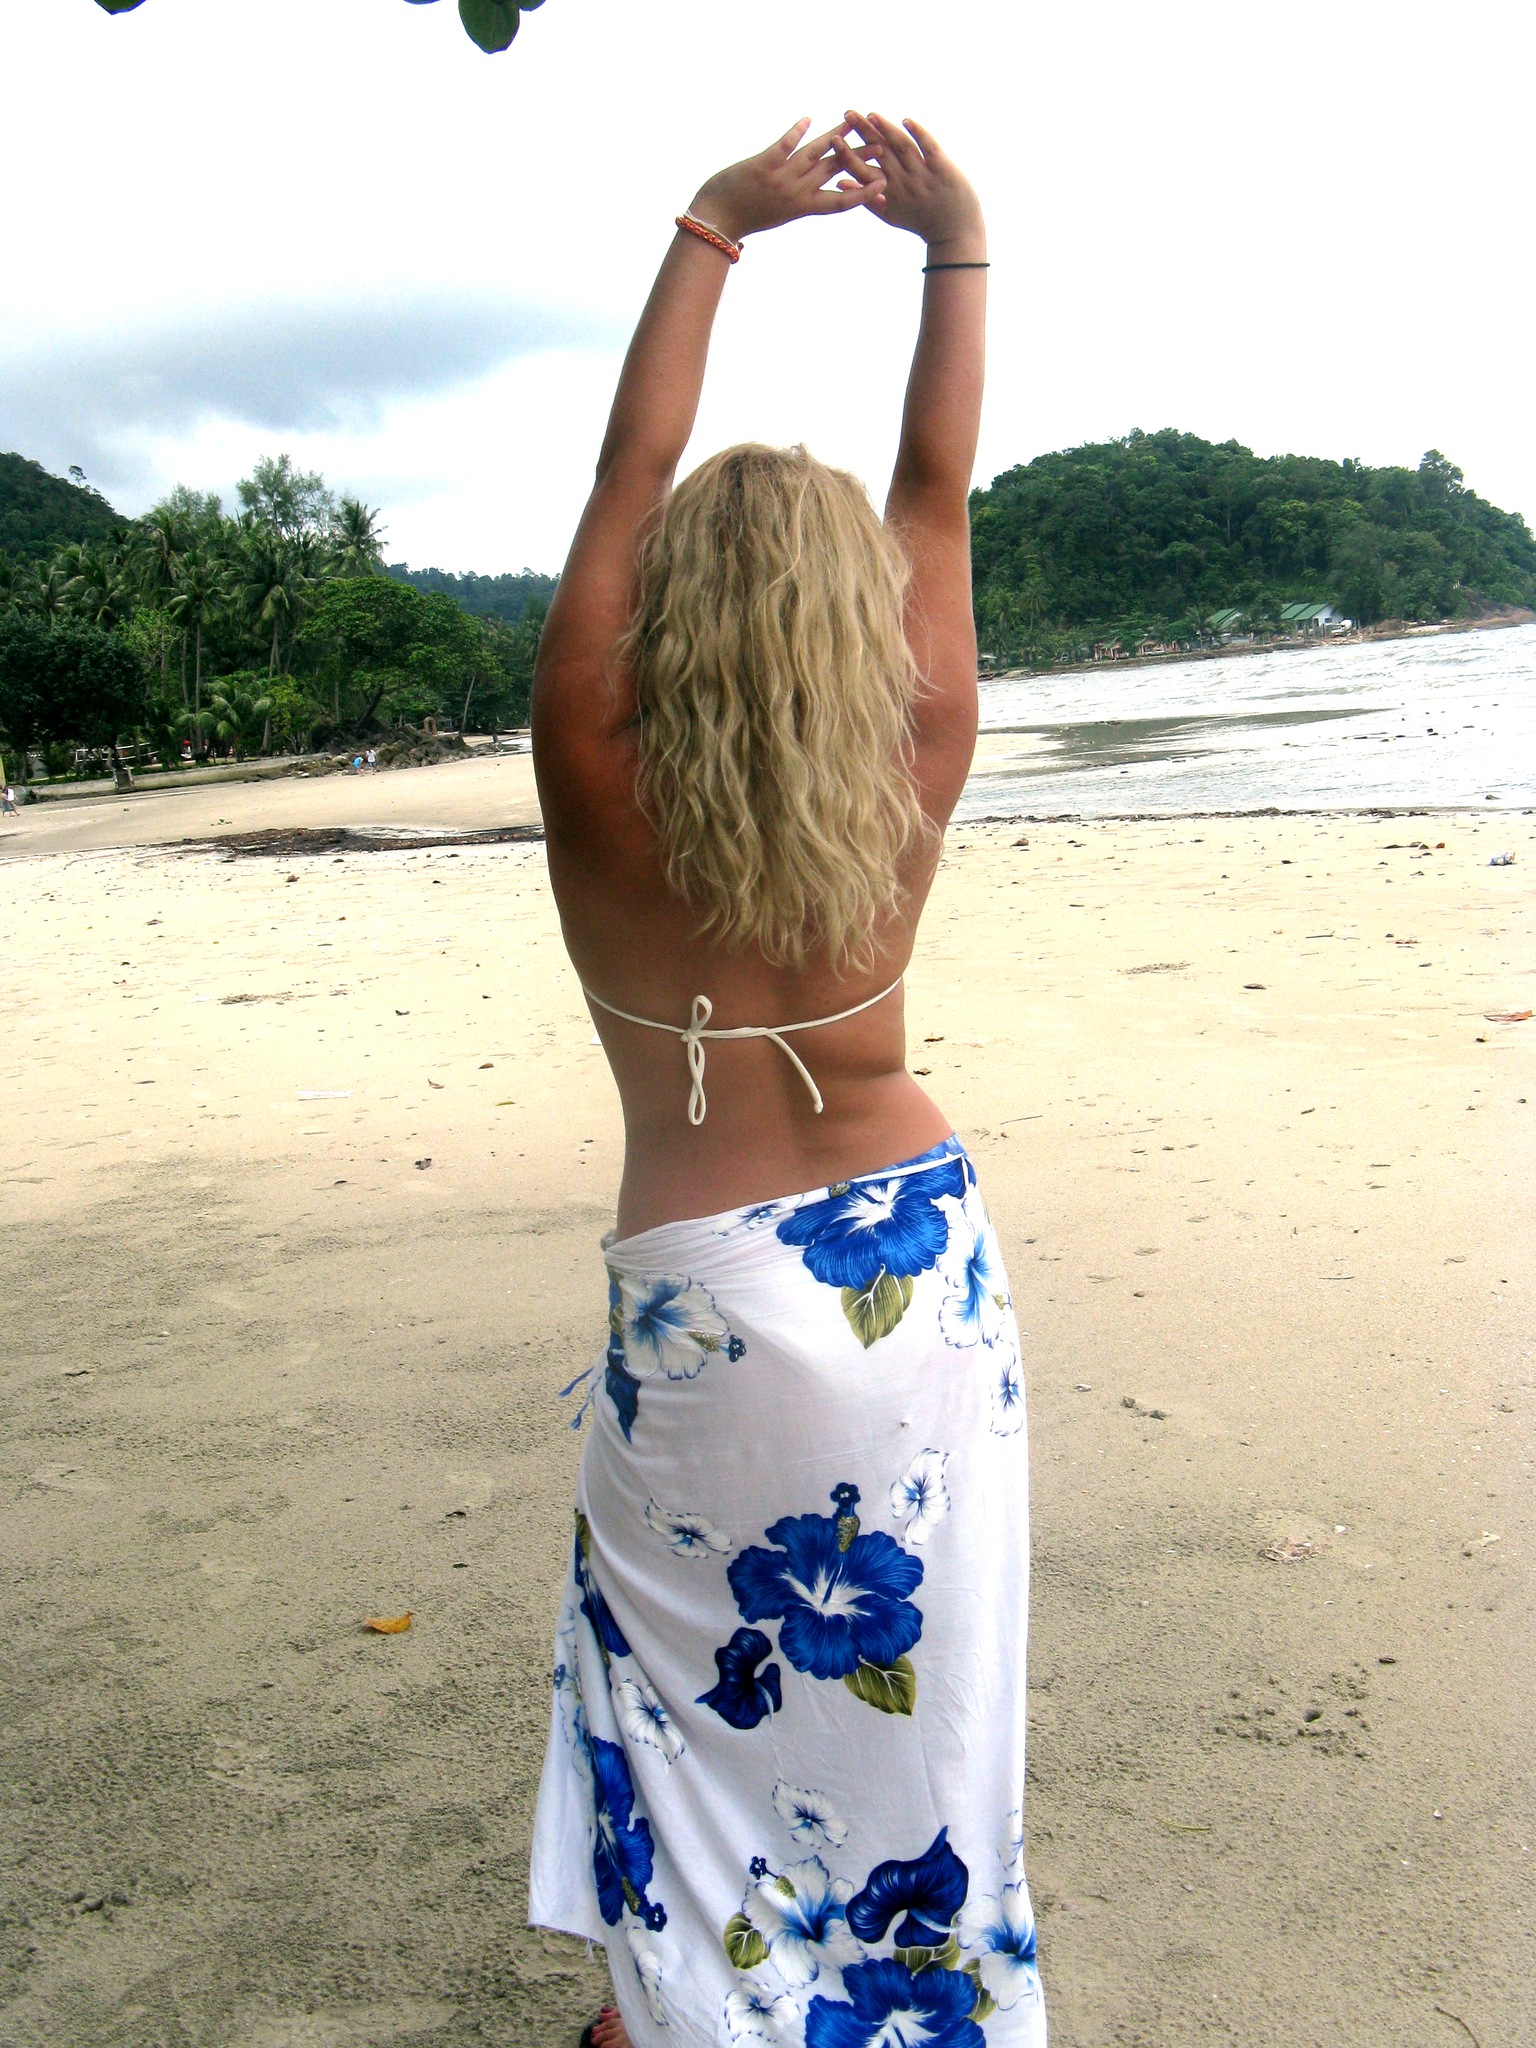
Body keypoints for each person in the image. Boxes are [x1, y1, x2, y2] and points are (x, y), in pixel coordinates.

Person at [528, 114, 1042, 2048]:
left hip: (711, 1297)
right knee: (928, 1706)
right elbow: (937, 482)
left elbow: (626, 467)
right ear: (853, 610)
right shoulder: (911, 743)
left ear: (667, 609)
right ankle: (909, 2002)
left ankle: (680, 2007)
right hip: (916, 1268)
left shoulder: (595, 762)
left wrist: (717, 223)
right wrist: (954, 240)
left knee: (679, 1686)